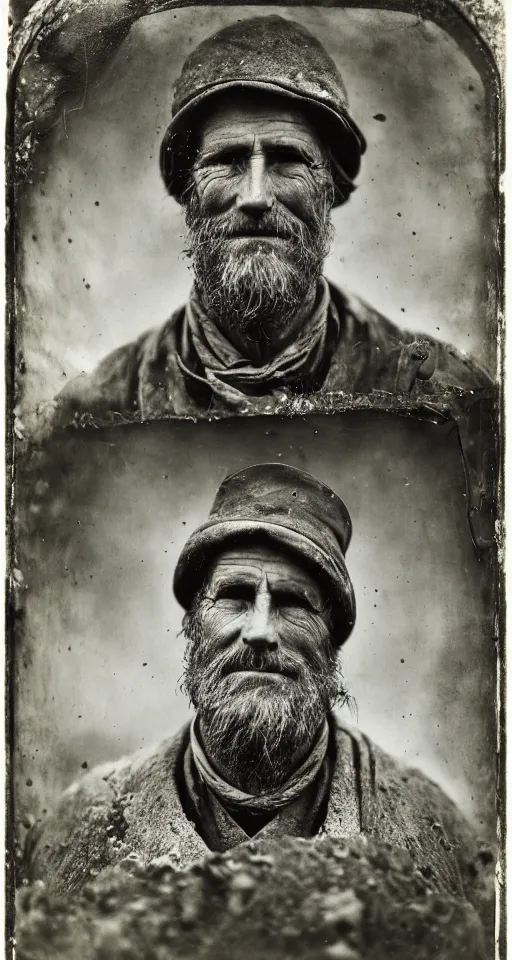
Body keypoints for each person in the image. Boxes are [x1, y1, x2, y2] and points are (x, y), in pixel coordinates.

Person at [25, 463, 493, 937]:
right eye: (234, 596)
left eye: (293, 603)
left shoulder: (437, 836)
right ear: (193, 626)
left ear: (330, 639)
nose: (260, 631)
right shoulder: (76, 830)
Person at [51, 15, 491, 427]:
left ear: (329, 189)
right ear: (189, 192)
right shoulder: (95, 411)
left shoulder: (437, 392)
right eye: (227, 160)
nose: (256, 197)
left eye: (287, 160)